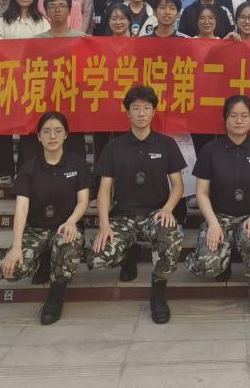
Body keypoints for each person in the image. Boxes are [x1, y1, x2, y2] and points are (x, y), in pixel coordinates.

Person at [89, 86, 186, 324]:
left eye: (146, 108)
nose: (141, 113)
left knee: (173, 239)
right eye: (135, 109)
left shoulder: (166, 144)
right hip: (123, 215)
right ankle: (128, 253)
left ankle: (158, 290)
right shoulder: (114, 147)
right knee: (98, 258)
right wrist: (104, 225)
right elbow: (104, 190)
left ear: (154, 111)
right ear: (127, 113)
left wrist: (167, 209)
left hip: (156, 213)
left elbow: (178, 186)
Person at [187, 96, 250, 320]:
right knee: (209, 266)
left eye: (244, 116)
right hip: (219, 217)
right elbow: (201, 193)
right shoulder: (211, 150)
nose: (239, 120)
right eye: (233, 115)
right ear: (225, 119)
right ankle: (222, 259)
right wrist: (212, 223)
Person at [0, 112, 89, 325]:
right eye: (46, 131)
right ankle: (42, 259)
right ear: (38, 136)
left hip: (65, 227)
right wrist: (16, 246)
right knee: (9, 271)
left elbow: (83, 201)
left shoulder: (77, 164)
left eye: (57, 131)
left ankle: (56, 295)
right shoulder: (28, 168)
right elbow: (21, 208)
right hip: (36, 229)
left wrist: (72, 221)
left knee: (68, 243)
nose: (52, 136)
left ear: (66, 134)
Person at [0, 0, 50, 185]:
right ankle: (5, 171)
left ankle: (26, 169)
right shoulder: (2, 21)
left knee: (29, 127)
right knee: (4, 127)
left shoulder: (42, 22)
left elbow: (49, 48)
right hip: (7, 79)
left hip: (33, 80)